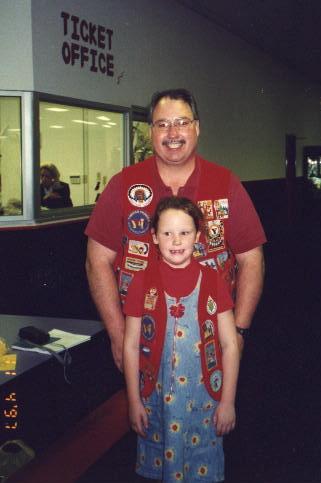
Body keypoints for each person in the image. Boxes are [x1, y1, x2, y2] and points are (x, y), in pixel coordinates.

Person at [85, 88, 266, 371]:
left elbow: (252, 259)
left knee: (213, 412)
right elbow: (97, 260)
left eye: (182, 122)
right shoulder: (123, 184)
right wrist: (119, 336)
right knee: (142, 413)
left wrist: (239, 332)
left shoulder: (225, 183)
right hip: (142, 339)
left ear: (196, 127)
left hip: (211, 339)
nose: (173, 133)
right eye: (162, 124)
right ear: (150, 132)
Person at [123, 196, 239, 482]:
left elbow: (230, 345)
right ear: (154, 237)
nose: (176, 241)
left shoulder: (213, 281)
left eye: (185, 232)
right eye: (167, 233)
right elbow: (131, 345)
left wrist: (228, 401)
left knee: (200, 469)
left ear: (197, 236)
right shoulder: (141, 281)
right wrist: (133, 401)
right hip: (155, 399)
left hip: (204, 401)